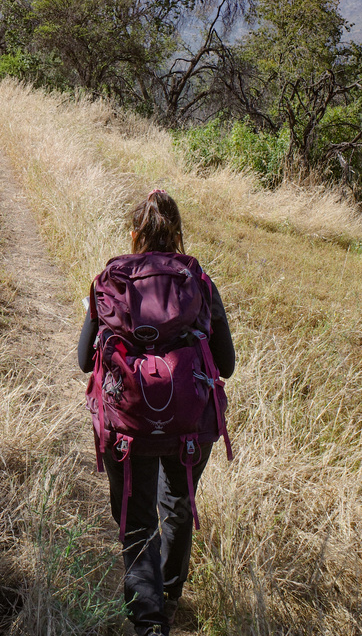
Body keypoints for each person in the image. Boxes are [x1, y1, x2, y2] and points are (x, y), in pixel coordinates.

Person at [77, 189, 235, 636]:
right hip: (188, 424)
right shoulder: (199, 282)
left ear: (134, 235)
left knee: (137, 512)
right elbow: (226, 364)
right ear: (178, 235)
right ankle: (169, 591)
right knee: (178, 502)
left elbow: (84, 361)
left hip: (128, 425)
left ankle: (148, 621)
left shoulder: (109, 279)